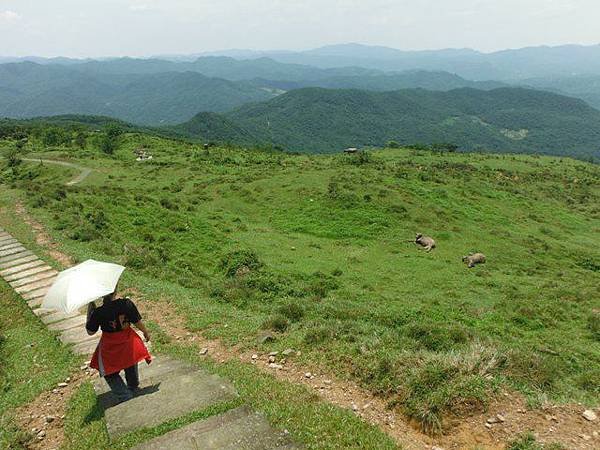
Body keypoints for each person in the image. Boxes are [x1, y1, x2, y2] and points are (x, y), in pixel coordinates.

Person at [86, 291, 152, 403]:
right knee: (130, 359)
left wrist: (90, 314)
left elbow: (90, 332)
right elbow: (137, 321)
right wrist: (145, 331)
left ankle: (124, 395)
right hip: (128, 340)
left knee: (108, 373)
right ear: (115, 291)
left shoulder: (98, 312)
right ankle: (133, 385)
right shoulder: (126, 304)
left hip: (111, 345)